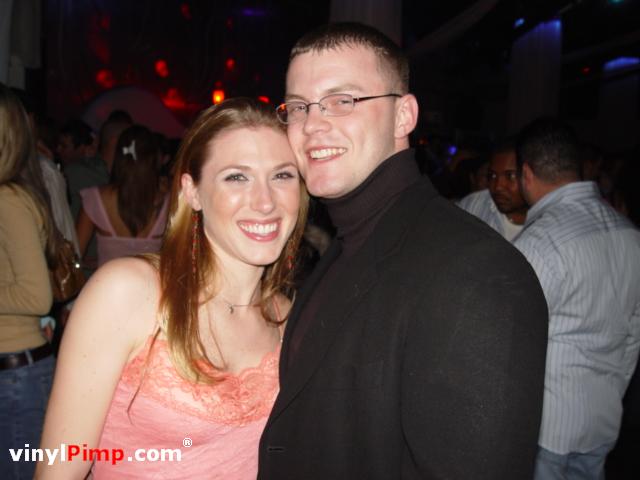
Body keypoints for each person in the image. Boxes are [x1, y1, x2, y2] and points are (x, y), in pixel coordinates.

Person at [259, 22, 548, 479]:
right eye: (297, 106)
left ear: (403, 116)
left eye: (342, 100)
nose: (312, 124)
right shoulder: (347, 243)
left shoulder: (477, 273)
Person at [35, 98, 308, 479]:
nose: (265, 202)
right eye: (236, 177)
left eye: (282, 176)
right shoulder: (129, 294)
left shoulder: (290, 321)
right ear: (191, 192)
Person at [512, 117, 640, 480]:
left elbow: (512, 344)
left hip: (547, 427)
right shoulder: (630, 234)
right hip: (603, 416)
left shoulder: (539, 244)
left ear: (526, 174)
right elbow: (634, 335)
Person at [0, 83, 59, 480]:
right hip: (18, 371)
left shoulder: (7, 199)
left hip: (16, 374)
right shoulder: (14, 195)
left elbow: (36, 295)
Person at [76, 125, 170, 266]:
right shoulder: (169, 202)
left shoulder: (95, 198)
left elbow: (75, 257)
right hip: (152, 280)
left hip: (109, 279)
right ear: (154, 159)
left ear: (119, 158)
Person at [458, 138, 528, 241]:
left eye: (510, 176)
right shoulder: (474, 204)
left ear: (531, 175)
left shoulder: (547, 222)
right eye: (493, 176)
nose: (497, 186)